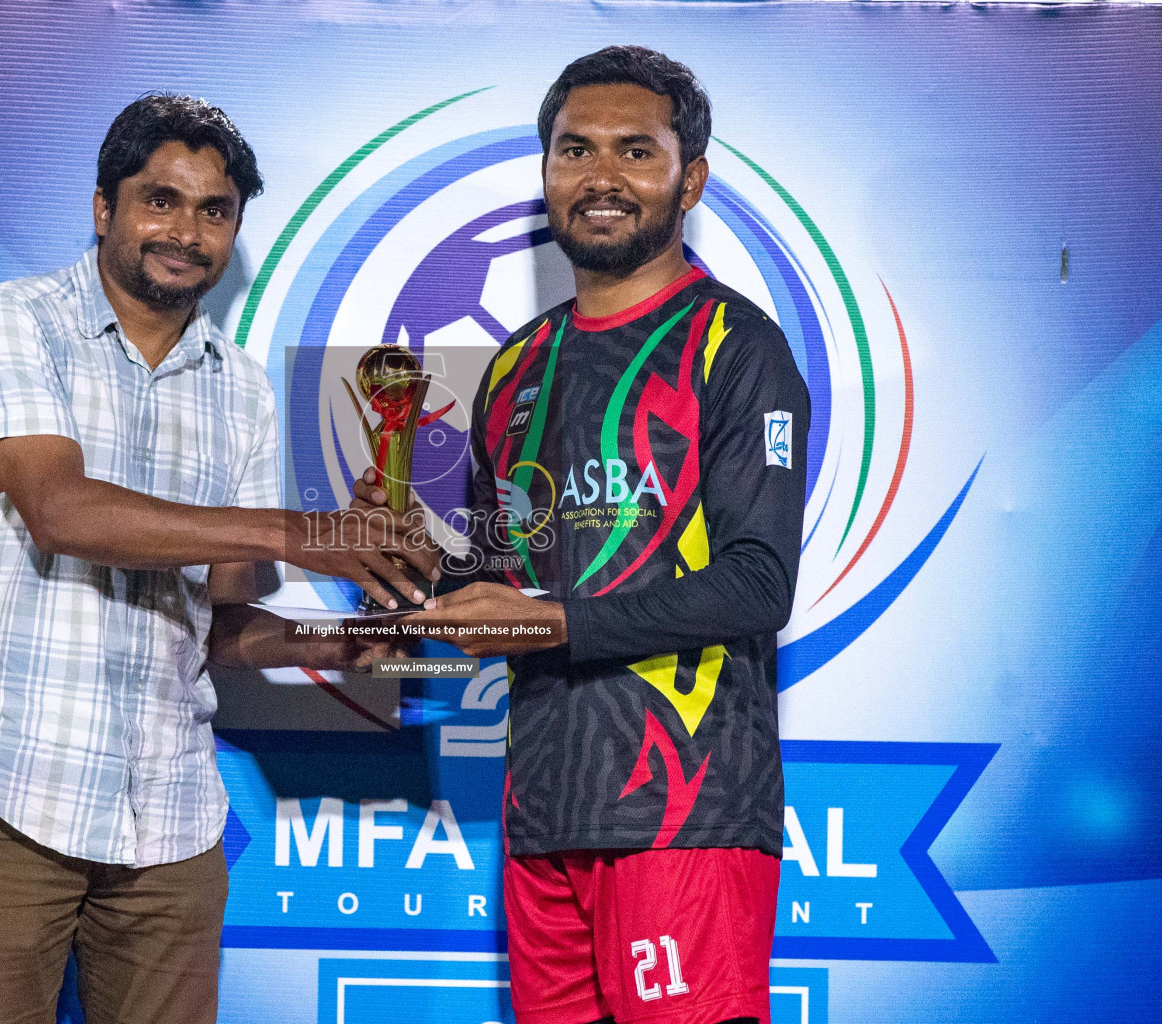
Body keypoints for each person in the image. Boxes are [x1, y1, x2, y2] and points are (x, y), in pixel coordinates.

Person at [0, 93, 434, 1024]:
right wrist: (298, 532)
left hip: (171, 810)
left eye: (215, 210)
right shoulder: (12, 320)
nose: (186, 232)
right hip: (9, 790)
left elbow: (224, 629)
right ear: (103, 207)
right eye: (161, 200)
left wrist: (348, 643)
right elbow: (61, 511)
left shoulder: (239, 388)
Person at [361, 47, 810, 1024]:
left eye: (634, 151)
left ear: (690, 177)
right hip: (542, 815)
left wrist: (546, 623)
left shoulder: (738, 348)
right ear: (547, 172)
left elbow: (756, 584)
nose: (600, 177)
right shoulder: (516, 366)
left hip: (684, 812)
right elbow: (507, 572)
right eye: (574, 150)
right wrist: (410, 564)